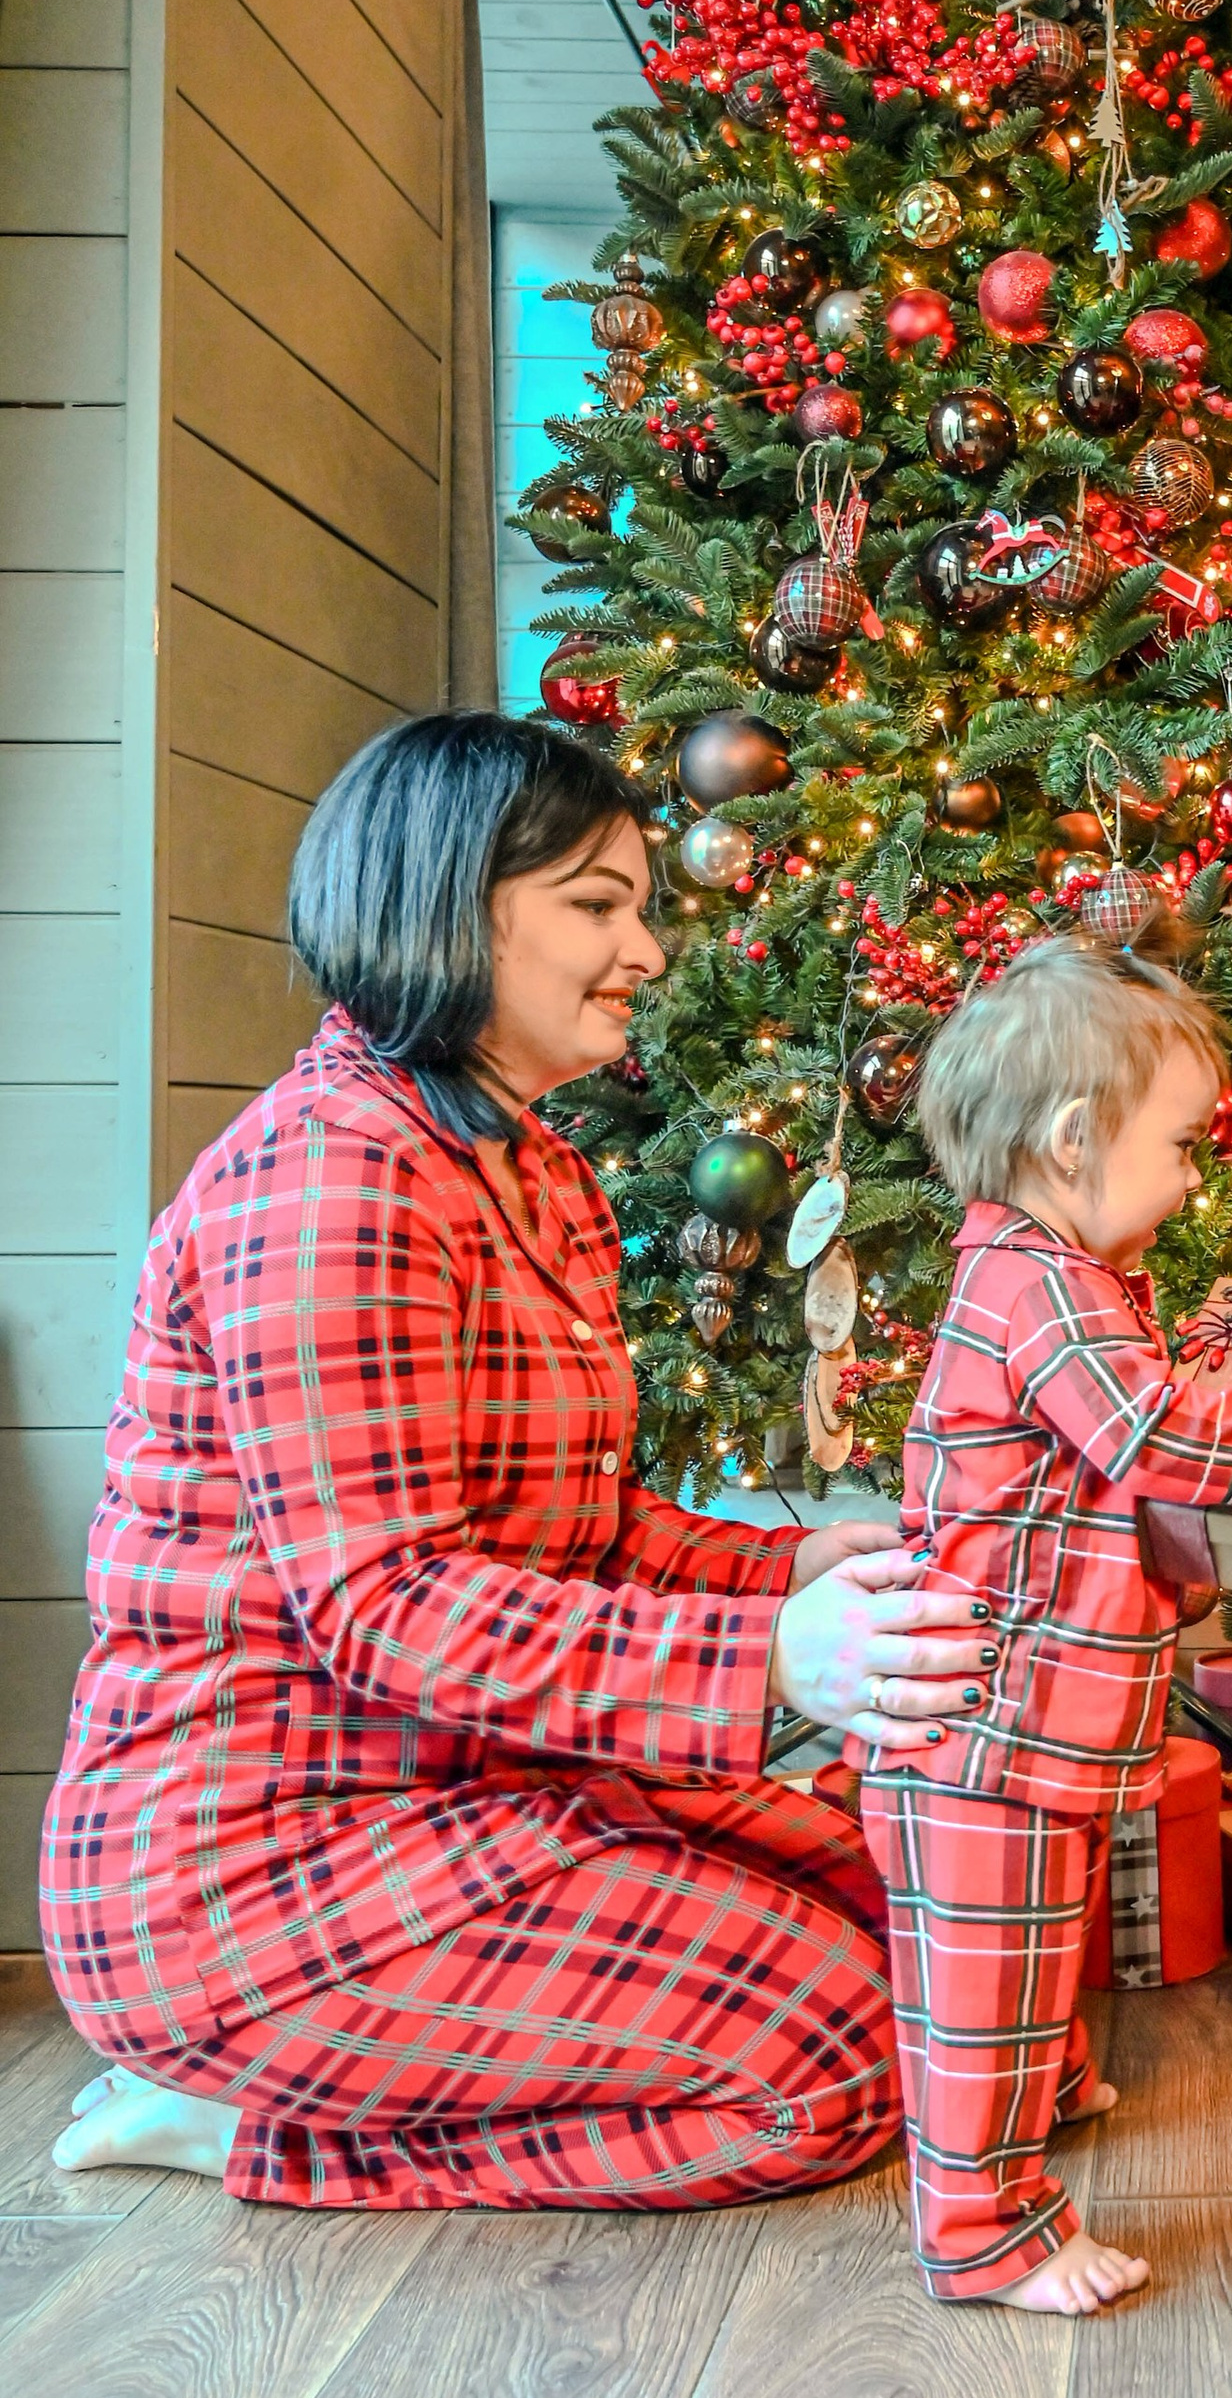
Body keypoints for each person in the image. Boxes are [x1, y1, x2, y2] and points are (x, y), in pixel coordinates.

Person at [44, 714, 989, 2209]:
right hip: (266, 1855)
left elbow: (573, 1526)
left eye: (640, 907)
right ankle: (250, 2129)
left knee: (933, 1936)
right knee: (839, 2056)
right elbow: (390, 1604)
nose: (649, 953)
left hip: (474, 1779)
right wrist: (768, 1657)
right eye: (597, 905)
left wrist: (798, 1567)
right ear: (454, 902)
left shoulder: (525, 1163)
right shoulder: (328, 1182)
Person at [878, 942, 1232, 2316]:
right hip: (986, 1719)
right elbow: (1148, 1431)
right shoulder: (1032, 1282)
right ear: (1071, 1140)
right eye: (1178, 1143)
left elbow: (1102, 1477)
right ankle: (983, 2230)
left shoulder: (1071, 1279)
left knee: (1032, 1940)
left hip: (1043, 1710)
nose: (1193, 1178)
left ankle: (1034, 2093)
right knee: (980, 1973)